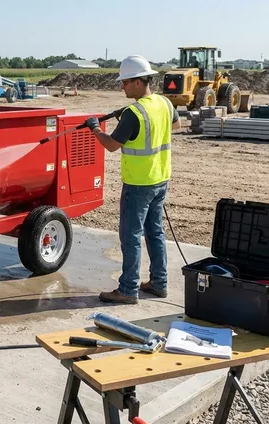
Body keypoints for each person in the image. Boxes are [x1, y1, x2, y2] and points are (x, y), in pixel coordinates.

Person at [82, 55, 180, 304]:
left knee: (131, 236)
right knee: (155, 232)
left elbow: (111, 145)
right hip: (160, 179)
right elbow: (175, 126)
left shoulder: (134, 113)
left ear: (138, 82)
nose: (122, 87)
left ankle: (127, 290)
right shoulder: (164, 103)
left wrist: (95, 128)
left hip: (138, 183)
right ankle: (159, 284)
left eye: (125, 82)